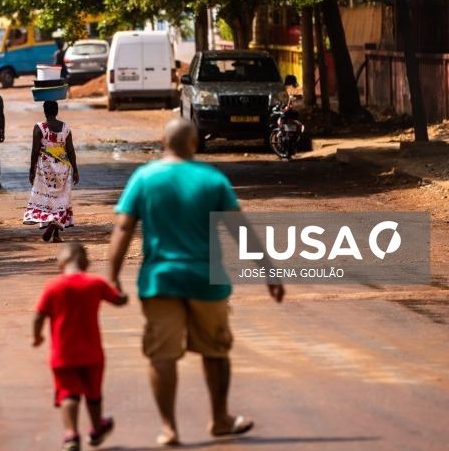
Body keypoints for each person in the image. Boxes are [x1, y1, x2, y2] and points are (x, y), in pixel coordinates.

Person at [107, 118, 285, 445]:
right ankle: (220, 419)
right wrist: (270, 271)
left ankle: (169, 428)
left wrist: (112, 276)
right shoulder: (212, 179)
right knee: (215, 351)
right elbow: (239, 229)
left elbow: (123, 228)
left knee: (162, 354)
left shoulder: (144, 178)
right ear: (194, 143)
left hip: (160, 281)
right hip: (206, 280)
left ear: (163, 140)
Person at [33, 243, 128, 451]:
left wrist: (37, 336)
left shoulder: (52, 286)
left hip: (63, 354)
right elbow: (120, 301)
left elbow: (39, 315)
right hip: (93, 353)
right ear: (86, 263)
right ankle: (96, 429)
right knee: (94, 393)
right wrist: (118, 285)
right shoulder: (95, 283)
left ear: (60, 263)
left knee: (68, 393)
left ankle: (71, 435)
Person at [24, 101, 79, 242]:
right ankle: (56, 233)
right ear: (57, 111)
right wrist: (75, 169)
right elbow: (70, 150)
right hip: (63, 168)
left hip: (45, 168)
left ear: (44, 111)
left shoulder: (39, 128)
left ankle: (52, 225)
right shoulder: (66, 128)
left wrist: (31, 170)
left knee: (48, 199)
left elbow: (35, 151)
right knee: (61, 199)